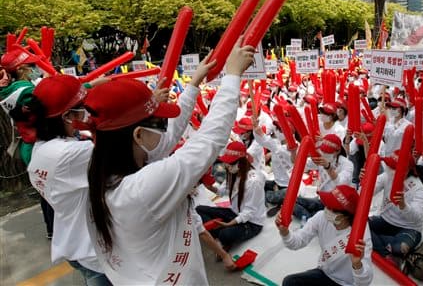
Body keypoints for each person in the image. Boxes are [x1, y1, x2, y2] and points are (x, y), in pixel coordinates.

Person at [85, 41, 255, 285]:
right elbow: (209, 139)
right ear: (138, 135)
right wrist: (232, 77)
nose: (166, 131)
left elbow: (170, 136)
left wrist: (194, 83)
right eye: (159, 124)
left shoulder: (103, 168)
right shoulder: (143, 188)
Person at [24, 74, 110, 285]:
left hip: (74, 244)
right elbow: (130, 149)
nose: (87, 112)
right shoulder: (71, 154)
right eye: (83, 106)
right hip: (94, 252)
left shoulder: (40, 148)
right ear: (67, 116)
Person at [275, 185, 373, 286]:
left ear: (346, 216)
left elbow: (364, 283)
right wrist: (285, 232)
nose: (327, 210)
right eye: (327, 205)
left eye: (332, 208)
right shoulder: (321, 217)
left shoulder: (361, 234)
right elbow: (297, 242)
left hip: (347, 283)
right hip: (324, 273)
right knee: (289, 282)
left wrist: (357, 265)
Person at [196, 141, 266, 251]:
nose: (227, 166)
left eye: (231, 163)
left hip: (251, 222)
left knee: (225, 234)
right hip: (234, 212)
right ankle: (220, 235)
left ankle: (221, 235)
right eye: (226, 163)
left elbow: (249, 211)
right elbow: (222, 191)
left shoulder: (254, 181)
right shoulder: (232, 173)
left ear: (241, 162)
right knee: (199, 209)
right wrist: (209, 186)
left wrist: (229, 224)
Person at [368, 151, 423, 267]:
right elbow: (367, 192)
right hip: (385, 220)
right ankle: (386, 252)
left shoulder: (419, 189)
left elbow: (417, 218)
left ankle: (376, 241)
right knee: (356, 225)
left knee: (399, 248)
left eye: (393, 167)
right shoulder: (387, 176)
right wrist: (366, 181)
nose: (389, 169)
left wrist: (403, 205)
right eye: (389, 165)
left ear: (406, 170)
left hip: (409, 228)